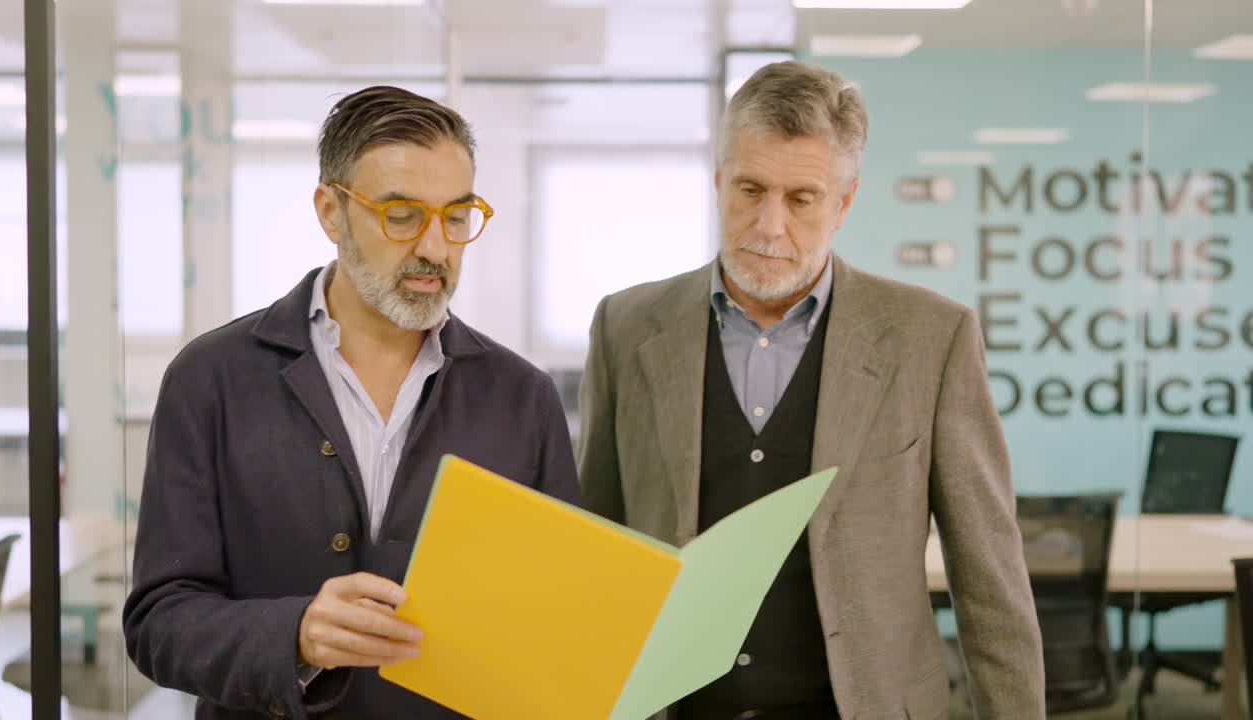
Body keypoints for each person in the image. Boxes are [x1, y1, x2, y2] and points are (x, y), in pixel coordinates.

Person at [578, 61, 1044, 719]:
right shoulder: (625, 328)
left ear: (844, 202)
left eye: (802, 199)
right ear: (717, 182)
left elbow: (990, 579)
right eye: (749, 189)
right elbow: (597, 547)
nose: (769, 227)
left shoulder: (931, 338)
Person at [124, 86, 580, 720]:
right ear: (330, 211)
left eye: (455, 216)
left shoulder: (522, 397)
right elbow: (158, 621)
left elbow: (558, 613)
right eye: (401, 215)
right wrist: (296, 636)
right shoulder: (210, 379)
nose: (435, 248)